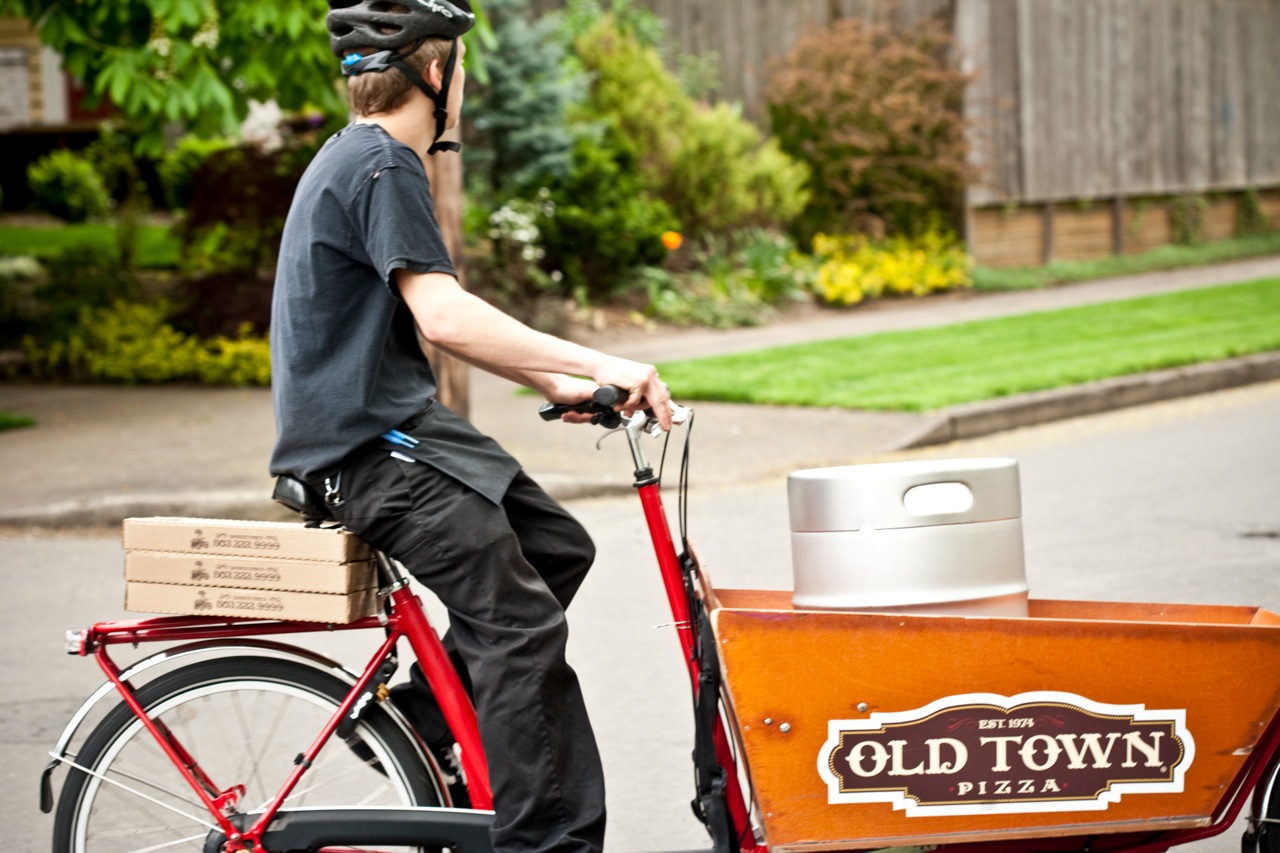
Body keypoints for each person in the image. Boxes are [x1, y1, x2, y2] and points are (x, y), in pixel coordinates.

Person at [268, 2, 673, 852]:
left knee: (558, 546)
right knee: (520, 627)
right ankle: (551, 843)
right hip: (374, 452)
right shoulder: (383, 165)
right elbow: (445, 316)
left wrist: (561, 381)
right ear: (438, 76)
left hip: (397, 432)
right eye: (462, 72)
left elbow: (438, 323)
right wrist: (609, 363)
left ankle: (420, 719)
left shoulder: (356, 156)